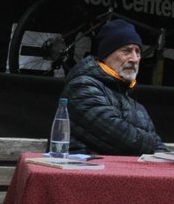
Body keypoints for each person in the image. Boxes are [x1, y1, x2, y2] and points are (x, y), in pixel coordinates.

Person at [63, 19, 166, 156]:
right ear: (106, 55)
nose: (134, 59)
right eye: (126, 51)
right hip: (84, 174)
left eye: (138, 52)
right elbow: (123, 140)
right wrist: (151, 143)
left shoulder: (136, 106)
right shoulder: (81, 86)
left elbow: (161, 151)